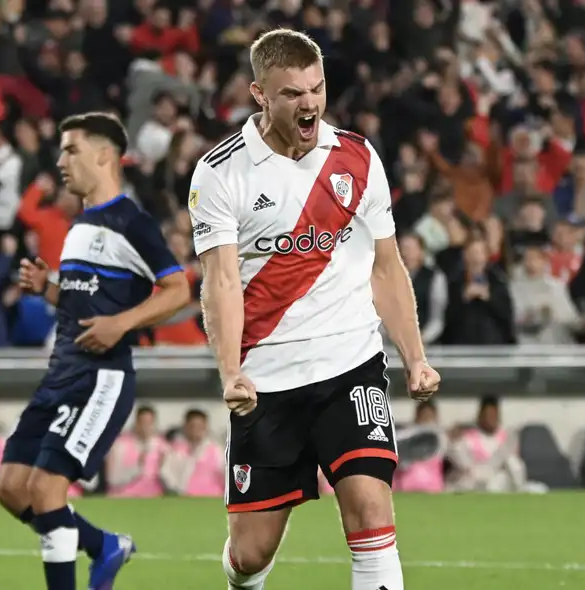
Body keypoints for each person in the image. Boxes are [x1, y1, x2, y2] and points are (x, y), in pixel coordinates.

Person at [188, 29, 440, 590]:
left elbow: (386, 266)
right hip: (267, 380)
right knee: (251, 553)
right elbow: (222, 282)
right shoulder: (221, 172)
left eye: (317, 89)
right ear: (260, 94)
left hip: (350, 361)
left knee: (371, 510)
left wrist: (414, 357)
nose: (309, 104)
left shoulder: (357, 156)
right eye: (292, 94)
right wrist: (230, 370)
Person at [0, 112, 190, 590]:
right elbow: (85, 301)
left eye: (70, 150)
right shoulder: (80, 226)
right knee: (10, 489)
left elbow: (178, 289)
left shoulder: (132, 222)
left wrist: (122, 323)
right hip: (61, 373)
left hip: (100, 378)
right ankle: (105, 546)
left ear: (104, 156)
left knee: (44, 489)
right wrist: (49, 288)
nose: (60, 161)